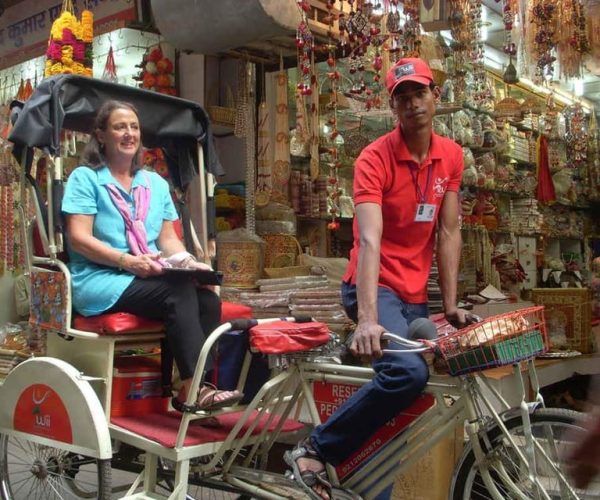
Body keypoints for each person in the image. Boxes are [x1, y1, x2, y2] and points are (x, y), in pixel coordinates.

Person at [285, 58, 469, 499]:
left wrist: (450, 305)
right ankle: (313, 449)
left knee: (432, 379)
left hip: (413, 295)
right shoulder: (374, 158)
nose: (412, 103)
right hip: (373, 287)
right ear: (393, 107)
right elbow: (369, 240)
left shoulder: (452, 156)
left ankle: (371, 487)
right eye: (402, 96)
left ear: (434, 98)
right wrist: (367, 318)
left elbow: (449, 231)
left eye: (419, 92)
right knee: (406, 373)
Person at [62, 100, 242, 412]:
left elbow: (168, 240)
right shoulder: (86, 178)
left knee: (206, 298)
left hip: (145, 273)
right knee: (177, 292)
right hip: (100, 278)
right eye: (120, 127)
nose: (129, 133)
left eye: (134, 127)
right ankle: (194, 389)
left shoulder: (155, 183)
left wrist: (191, 264)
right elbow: (79, 238)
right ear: (102, 136)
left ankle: (194, 385)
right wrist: (126, 261)